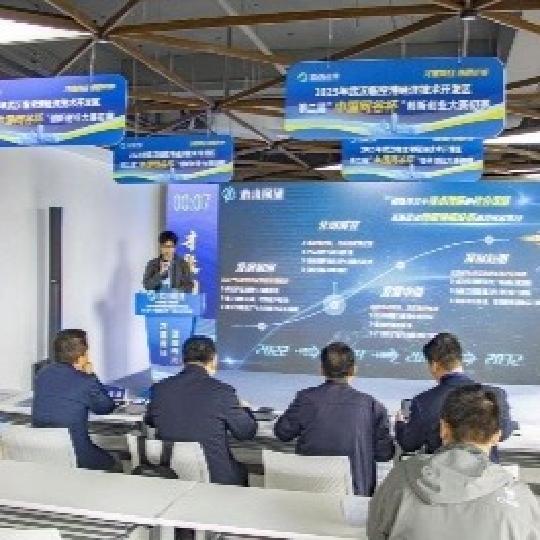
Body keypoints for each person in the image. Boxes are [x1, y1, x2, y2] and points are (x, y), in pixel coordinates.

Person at [368, 385, 540, 540]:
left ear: (444, 429)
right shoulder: (521, 499)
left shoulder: (401, 478)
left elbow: (376, 531)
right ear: (497, 437)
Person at [274, 342, 394, 496]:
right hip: (355, 496)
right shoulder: (372, 406)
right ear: (353, 370)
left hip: (308, 492)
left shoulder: (305, 399)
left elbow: (282, 433)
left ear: (322, 369)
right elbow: (384, 454)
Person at [145, 336, 257, 485]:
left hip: (171, 474)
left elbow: (150, 420)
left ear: (183, 359)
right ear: (214, 359)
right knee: (241, 470)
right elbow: (245, 432)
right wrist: (246, 408)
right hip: (216, 478)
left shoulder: (160, 389)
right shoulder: (222, 391)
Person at [395, 332, 512, 461]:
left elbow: (409, 444)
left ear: (434, 365)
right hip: (486, 470)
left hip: (442, 472)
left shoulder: (423, 402)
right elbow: (504, 433)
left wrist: (400, 424)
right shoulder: (496, 396)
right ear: (460, 360)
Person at [32, 329, 117, 471]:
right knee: (116, 463)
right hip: (77, 455)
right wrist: (91, 375)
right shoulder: (85, 380)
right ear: (82, 354)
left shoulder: (42, 374)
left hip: (45, 454)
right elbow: (105, 407)